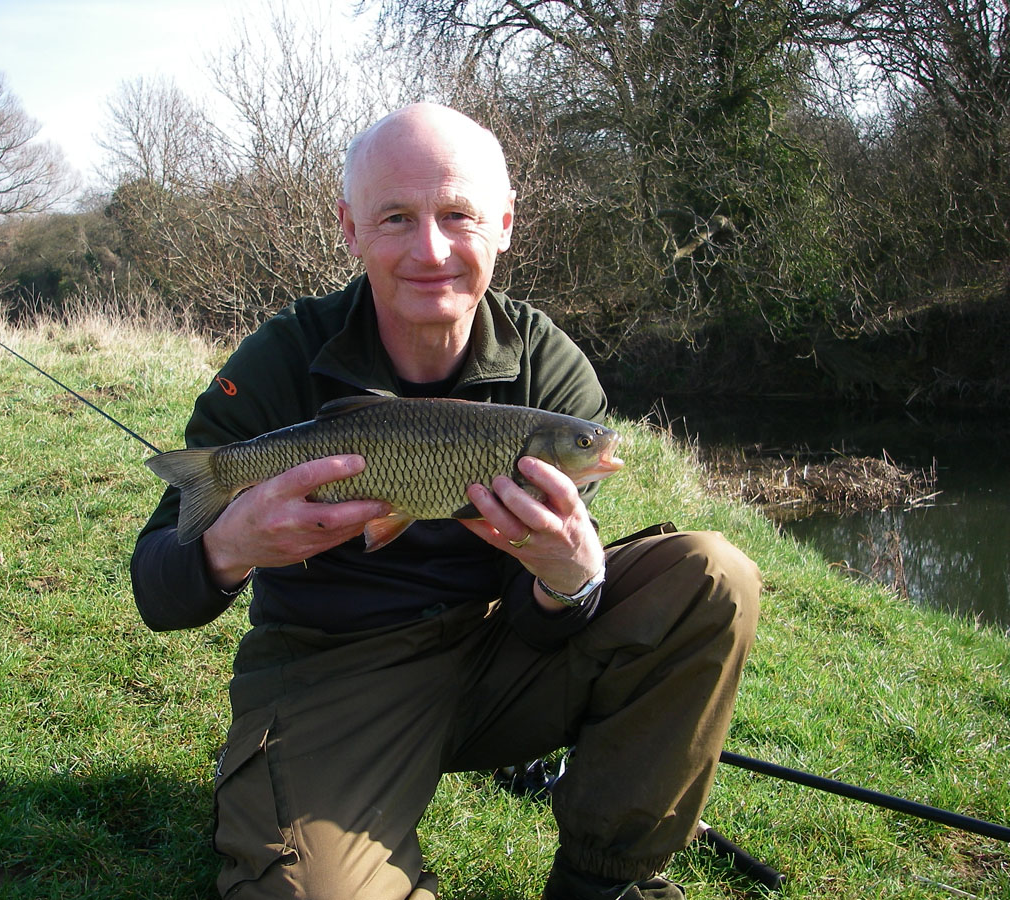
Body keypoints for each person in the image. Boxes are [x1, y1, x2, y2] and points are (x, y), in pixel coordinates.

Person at [131, 102, 760, 900]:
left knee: (713, 574)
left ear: (502, 224)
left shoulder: (549, 374)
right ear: (350, 228)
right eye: (395, 217)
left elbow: (545, 623)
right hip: (337, 670)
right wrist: (231, 546)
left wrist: (568, 580)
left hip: (502, 657)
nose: (430, 249)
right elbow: (157, 592)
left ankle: (605, 883)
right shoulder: (280, 358)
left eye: (456, 214)